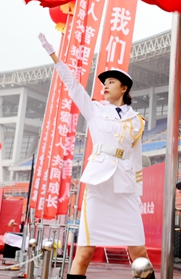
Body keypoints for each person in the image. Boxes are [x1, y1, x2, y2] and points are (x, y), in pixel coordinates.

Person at [40, 34, 151, 279]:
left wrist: (137, 191)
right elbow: (73, 86)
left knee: (140, 253)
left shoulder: (137, 121)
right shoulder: (95, 109)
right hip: (98, 187)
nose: (105, 86)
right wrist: (54, 56)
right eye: (104, 82)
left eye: (111, 82)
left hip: (125, 188)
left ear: (124, 88)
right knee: (84, 253)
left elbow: (135, 159)